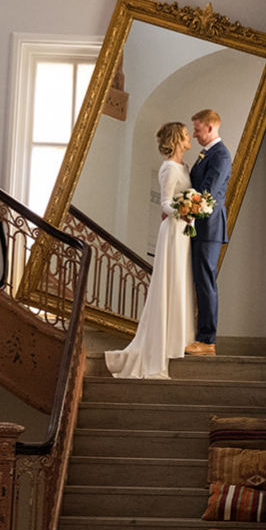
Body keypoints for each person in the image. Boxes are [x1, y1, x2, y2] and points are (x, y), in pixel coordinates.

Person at [105, 121, 196, 379]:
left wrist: (193, 211)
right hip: (173, 230)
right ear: (177, 139)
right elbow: (166, 203)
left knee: (180, 282)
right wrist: (185, 211)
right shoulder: (168, 168)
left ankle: (179, 339)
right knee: (170, 282)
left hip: (184, 232)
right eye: (186, 134)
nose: (190, 137)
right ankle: (161, 346)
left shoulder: (185, 166)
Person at [185, 108, 231, 355]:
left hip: (209, 226)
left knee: (205, 282)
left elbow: (208, 193)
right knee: (200, 281)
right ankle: (201, 337)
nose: (194, 135)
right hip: (200, 226)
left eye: (197, 129)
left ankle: (207, 340)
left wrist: (184, 209)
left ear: (211, 128)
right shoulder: (207, 153)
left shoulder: (220, 155)